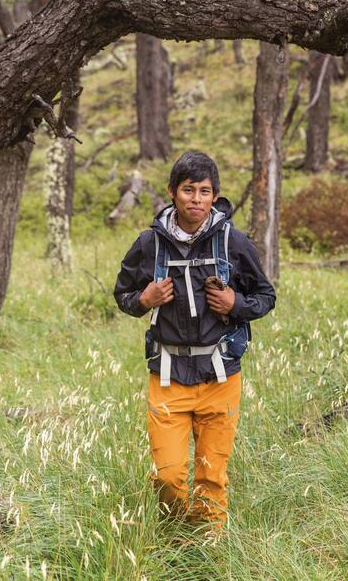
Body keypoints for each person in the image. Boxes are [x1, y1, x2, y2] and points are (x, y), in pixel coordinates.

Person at [114, 151, 276, 530]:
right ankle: (176, 542)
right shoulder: (149, 244)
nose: (196, 199)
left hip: (221, 376)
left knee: (211, 478)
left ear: (215, 195)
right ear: (172, 192)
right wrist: (144, 299)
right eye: (189, 190)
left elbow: (265, 296)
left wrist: (236, 303)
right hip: (167, 377)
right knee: (168, 477)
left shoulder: (233, 242)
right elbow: (122, 295)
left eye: (205, 191)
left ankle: (208, 552)